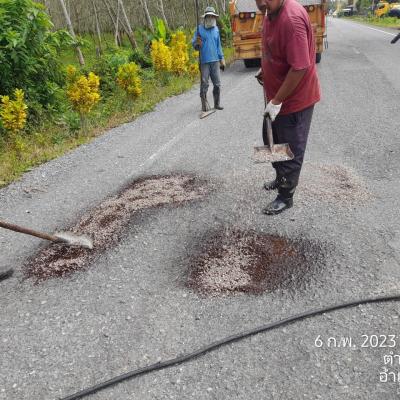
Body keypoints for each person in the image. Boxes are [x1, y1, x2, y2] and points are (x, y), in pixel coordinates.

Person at [255, 0, 321, 215]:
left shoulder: (291, 20)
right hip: (277, 97)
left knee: (291, 149)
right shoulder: (270, 12)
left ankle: (286, 196)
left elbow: (300, 67)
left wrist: (276, 101)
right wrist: (265, 70)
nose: (261, 2)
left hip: (294, 100)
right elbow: (276, 51)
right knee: (272, 141)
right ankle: (280, 177)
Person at [192, 6, 226, 113]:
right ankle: (204, 105)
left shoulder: (216, 30)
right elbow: (195, 45)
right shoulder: (199, 29)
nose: (210, 18)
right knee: (204, 83)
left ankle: (217, 104)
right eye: (208, 16)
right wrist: (197, 43)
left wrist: (222, 59)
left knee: (217, 84)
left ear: (214, 17)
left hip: (215, 61)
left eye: (212, 16)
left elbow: (218, 46)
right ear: (205, 17)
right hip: (204, 61)